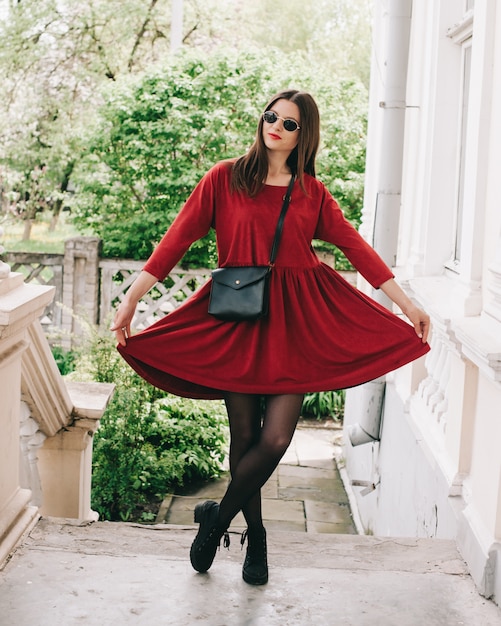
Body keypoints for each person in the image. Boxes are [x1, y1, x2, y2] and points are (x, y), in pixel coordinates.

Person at [111, 89, 430, 585]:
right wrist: (133, 296)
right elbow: (178, 237)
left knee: (276, 437)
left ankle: (216, 521)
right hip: (238, 318)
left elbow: (356, 249)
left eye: (290, 123)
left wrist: (406, 303)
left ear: (306, 135)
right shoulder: (224, 177)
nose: (276, 126)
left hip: (295, 326)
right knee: (244, 436)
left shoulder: (311, 193)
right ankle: (256, 538)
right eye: (271, 116)